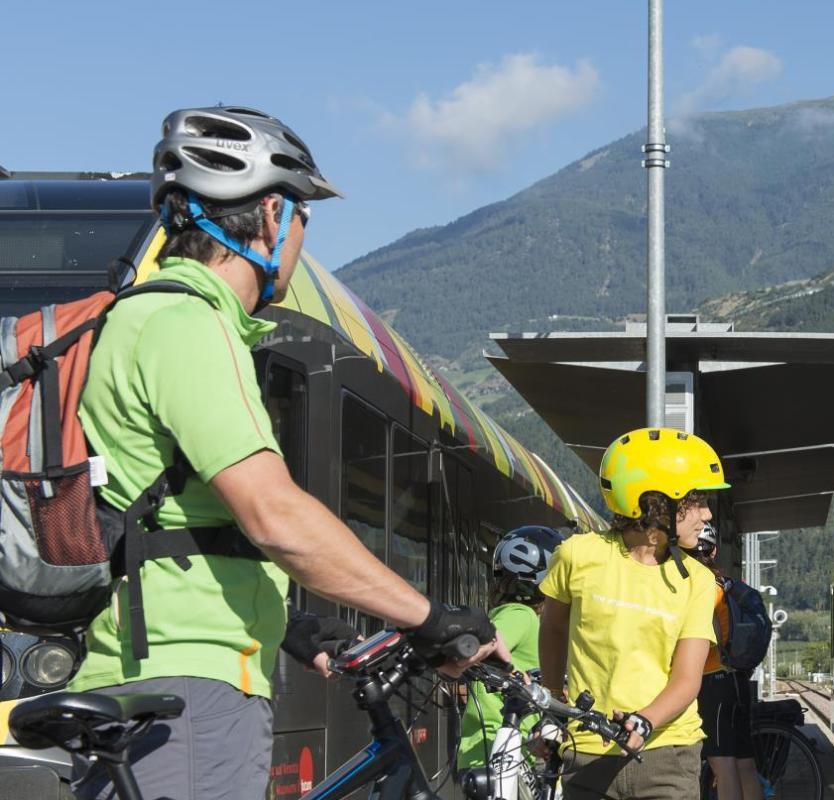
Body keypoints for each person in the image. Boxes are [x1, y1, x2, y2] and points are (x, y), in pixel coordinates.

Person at [69, 105, 502, 800]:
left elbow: (168, 522)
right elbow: (274, 515)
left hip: (175, 672)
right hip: (180, 689)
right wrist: (431, 618)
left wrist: (296, 627)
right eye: (304, 219)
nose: (301, 236)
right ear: (272, 215)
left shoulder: (162, 320)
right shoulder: (187, 324)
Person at [539, 428, 730, 799]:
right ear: (657, 502)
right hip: (587, 754)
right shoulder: (577, 556)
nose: (706, 513)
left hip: (668, 755)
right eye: (695, 500)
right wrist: (551, 703)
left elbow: (687, 678)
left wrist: (645, 720)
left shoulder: (698, 581)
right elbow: (553, 629)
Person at [456, 525, 563, 775]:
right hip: (500, 751)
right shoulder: (521, 616)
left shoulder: (514, 615)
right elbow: (487, 641)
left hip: (494, 750)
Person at [687, 529, 765, 800]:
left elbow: (703, 642)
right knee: (744, 763)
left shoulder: (699, 587)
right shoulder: (726, 584)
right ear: (714, 551)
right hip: (737, 681)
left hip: (713, 681)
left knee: (722, 763)